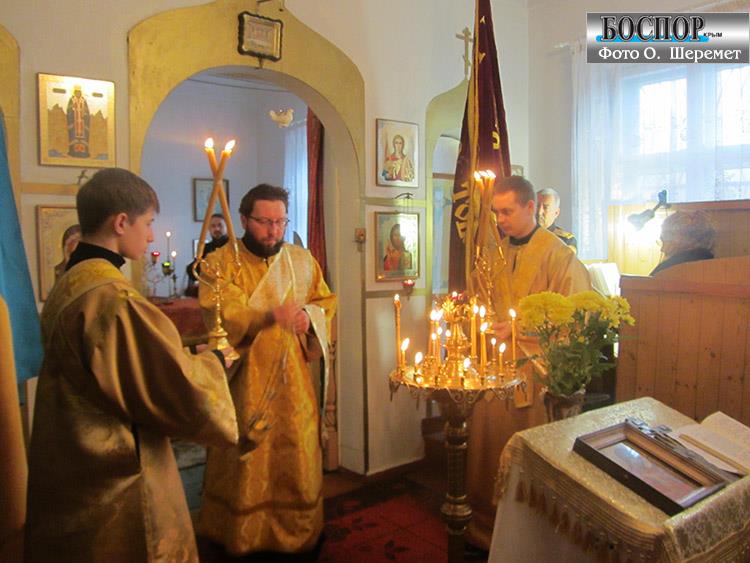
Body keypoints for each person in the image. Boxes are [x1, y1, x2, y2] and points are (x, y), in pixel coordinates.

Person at [25, 168, 242, 563]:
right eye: (149, 222)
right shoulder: (113, 299)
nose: (152, 236)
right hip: (116, 469)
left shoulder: (70, 280)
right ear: (121, 222)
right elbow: (167, 387)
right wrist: (213, 361)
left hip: (73, 457)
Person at [197, 184, 336, 556]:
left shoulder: (302, 260)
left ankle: (300, 533)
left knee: (297, 455)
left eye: (280, 221)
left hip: (295, 386)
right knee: (247, 458)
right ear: (244, 219)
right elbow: (222, 314)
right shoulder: (220, 263)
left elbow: (324, 300)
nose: (274, 230)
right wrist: (268, 316)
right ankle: (245, 535)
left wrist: (309, 317)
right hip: (246, 382)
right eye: (264, 222)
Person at [466, 175, 591, 549]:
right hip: (494, 370)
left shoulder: (559, 256)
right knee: (487, 448)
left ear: (531, 207)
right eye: (496, 212)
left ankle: (523, 538)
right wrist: (483, 321)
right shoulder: (493, 254)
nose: (500, 220)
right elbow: (480, 298)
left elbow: (577, 316)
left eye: (507, 211)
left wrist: (520, 328)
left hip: (533, 376)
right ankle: (484, 528)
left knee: (524, 455)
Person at [651, 210, 715, 275]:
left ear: (680, 238)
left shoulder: (669, 268)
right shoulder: (714, 267)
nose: (662, 249)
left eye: (666, 241)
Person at [185, 213, 229, 297]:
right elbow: (193, 270)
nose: (217, 229)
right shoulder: (205, 248)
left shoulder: (235, 246)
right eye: (213, 226)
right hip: (210, 293)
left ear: (227, 226)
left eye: (220, 225)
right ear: (209, 229)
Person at [536, 187, 577, 252]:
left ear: (556, 213)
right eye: (537, 206)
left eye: (545, 207)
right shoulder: (522, 237)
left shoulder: (565, 241)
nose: (539, 212)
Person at [66, 85, 90, 158]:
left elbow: (87, 111)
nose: (78, 93)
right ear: (74, 92)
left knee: (83, 138)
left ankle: (84, 152)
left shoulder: (83, 100)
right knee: (73, 137)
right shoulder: (72, 100)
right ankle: (73, 152)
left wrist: (85, 115)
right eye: (76, 92)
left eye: (79, 92)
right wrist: (71, 121)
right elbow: (69, 111)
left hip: (82, 124)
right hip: (74, 123)